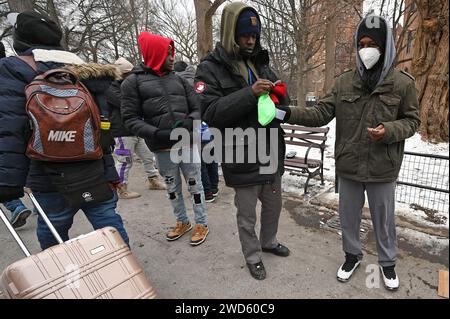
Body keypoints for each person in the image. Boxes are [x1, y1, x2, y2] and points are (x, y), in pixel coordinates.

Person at [285, 15, 420, 291]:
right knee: (348, 217)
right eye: (361, 43)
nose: (366, 49)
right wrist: (285, 112)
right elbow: (319, 113)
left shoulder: (403, 84)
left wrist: (390, 130)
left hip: (383, 166)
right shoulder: (344, 82)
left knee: (383, 219)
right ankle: (352, 256)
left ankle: (387, 262)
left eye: (372, 44)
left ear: (386, 48)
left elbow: (412, 121)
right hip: (349, 164)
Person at [0, 11, 129, 249]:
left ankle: (63, 278)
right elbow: (111, 122)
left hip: (47, 173)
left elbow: (10, 127)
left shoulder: (13, 70)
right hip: (95, 167)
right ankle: (126, 269)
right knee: (108, 223)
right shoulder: (88, 71)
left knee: (53, 228)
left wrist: (8, 183)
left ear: (20, 41)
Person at [195, 2, 291, 280]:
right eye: (244, 35)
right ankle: (252, 255)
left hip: (271, 151)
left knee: (274, 206)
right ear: (229, 33)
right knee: (247, 214)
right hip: (241, 153)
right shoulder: (210, 68)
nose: (250, 40)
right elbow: (210, 113)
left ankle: (269, 242)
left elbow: (280, 105)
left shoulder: (261, 62)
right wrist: (249, 93)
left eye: (254, 35)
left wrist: (281, 94)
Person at [121, 32, 209, 246]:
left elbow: (197, 106)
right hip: (162, 149)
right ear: (155, 54)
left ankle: (201, 223)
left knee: (195, 185)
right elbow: (130, 119)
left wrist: (191, 121)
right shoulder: (132, 82)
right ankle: (182, 221)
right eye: (168, 54)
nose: (172, 58)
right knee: (172, 188)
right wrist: (155, 133)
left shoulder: (178, 79)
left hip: (187, 144)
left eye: (172, 53)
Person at [106, 57, 166, 200]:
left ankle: (153, 180)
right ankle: (121, 188)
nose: (130, 76)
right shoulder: (111, 87)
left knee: (147, 157)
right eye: (127, 74)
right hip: (122, 130)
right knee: (124, 160)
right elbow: (125, 103)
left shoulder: (129, 85)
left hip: (136, 129)